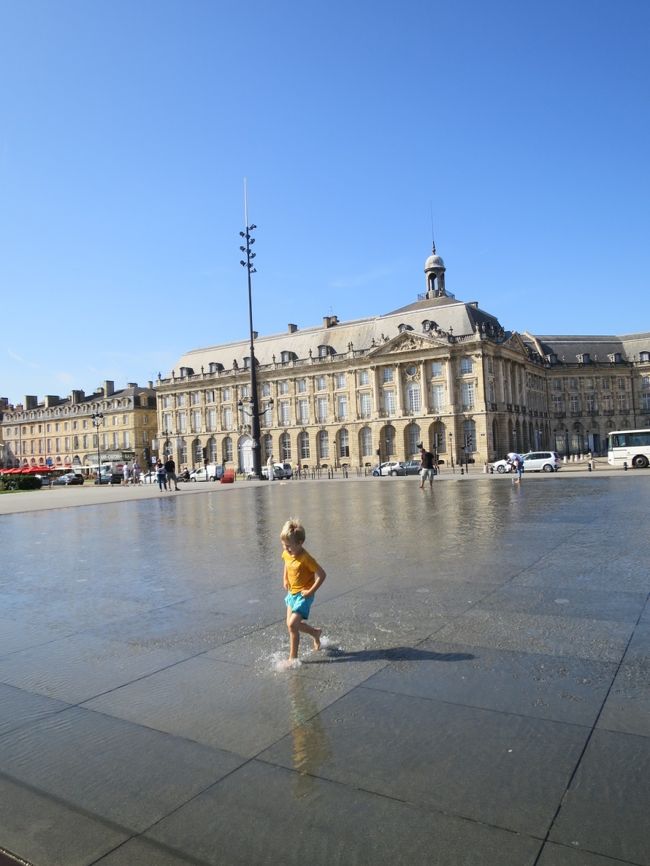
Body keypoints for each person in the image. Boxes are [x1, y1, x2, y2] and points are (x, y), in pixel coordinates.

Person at [281, 517, 326, 663]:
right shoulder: (287, 553)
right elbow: (287, 564)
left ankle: (292, 658)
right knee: (292, 625)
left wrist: (311, 592)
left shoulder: (306, 558)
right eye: (284, 545)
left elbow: (322, 574)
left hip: (304, 595)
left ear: (300, 543)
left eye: (289, 545)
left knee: (292, 625)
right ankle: (315, 633)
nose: (286, 548)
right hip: (292, 593)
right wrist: (285, 578)